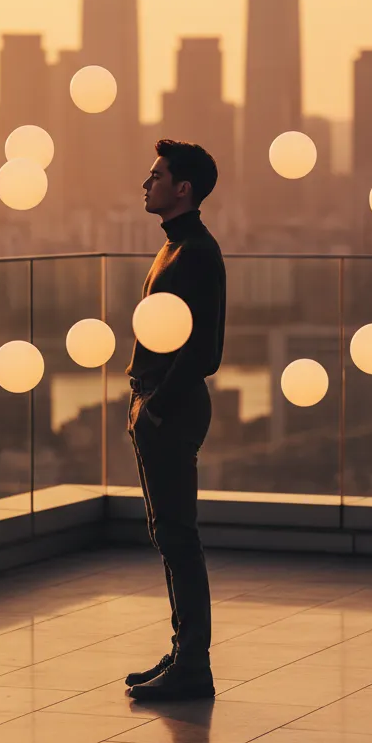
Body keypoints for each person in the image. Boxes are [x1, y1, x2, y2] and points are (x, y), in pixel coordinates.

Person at [124, 139, 226, 702]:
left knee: (178, 536)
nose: (147, 182)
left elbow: (205, 349)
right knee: (169, 534)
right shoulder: (175, 248)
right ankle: (185, 652)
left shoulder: (197, 254)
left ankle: (193, 664)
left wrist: (157, 406)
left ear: (182, 188)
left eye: (157, 174)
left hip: (172, 407)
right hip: (158, 403)